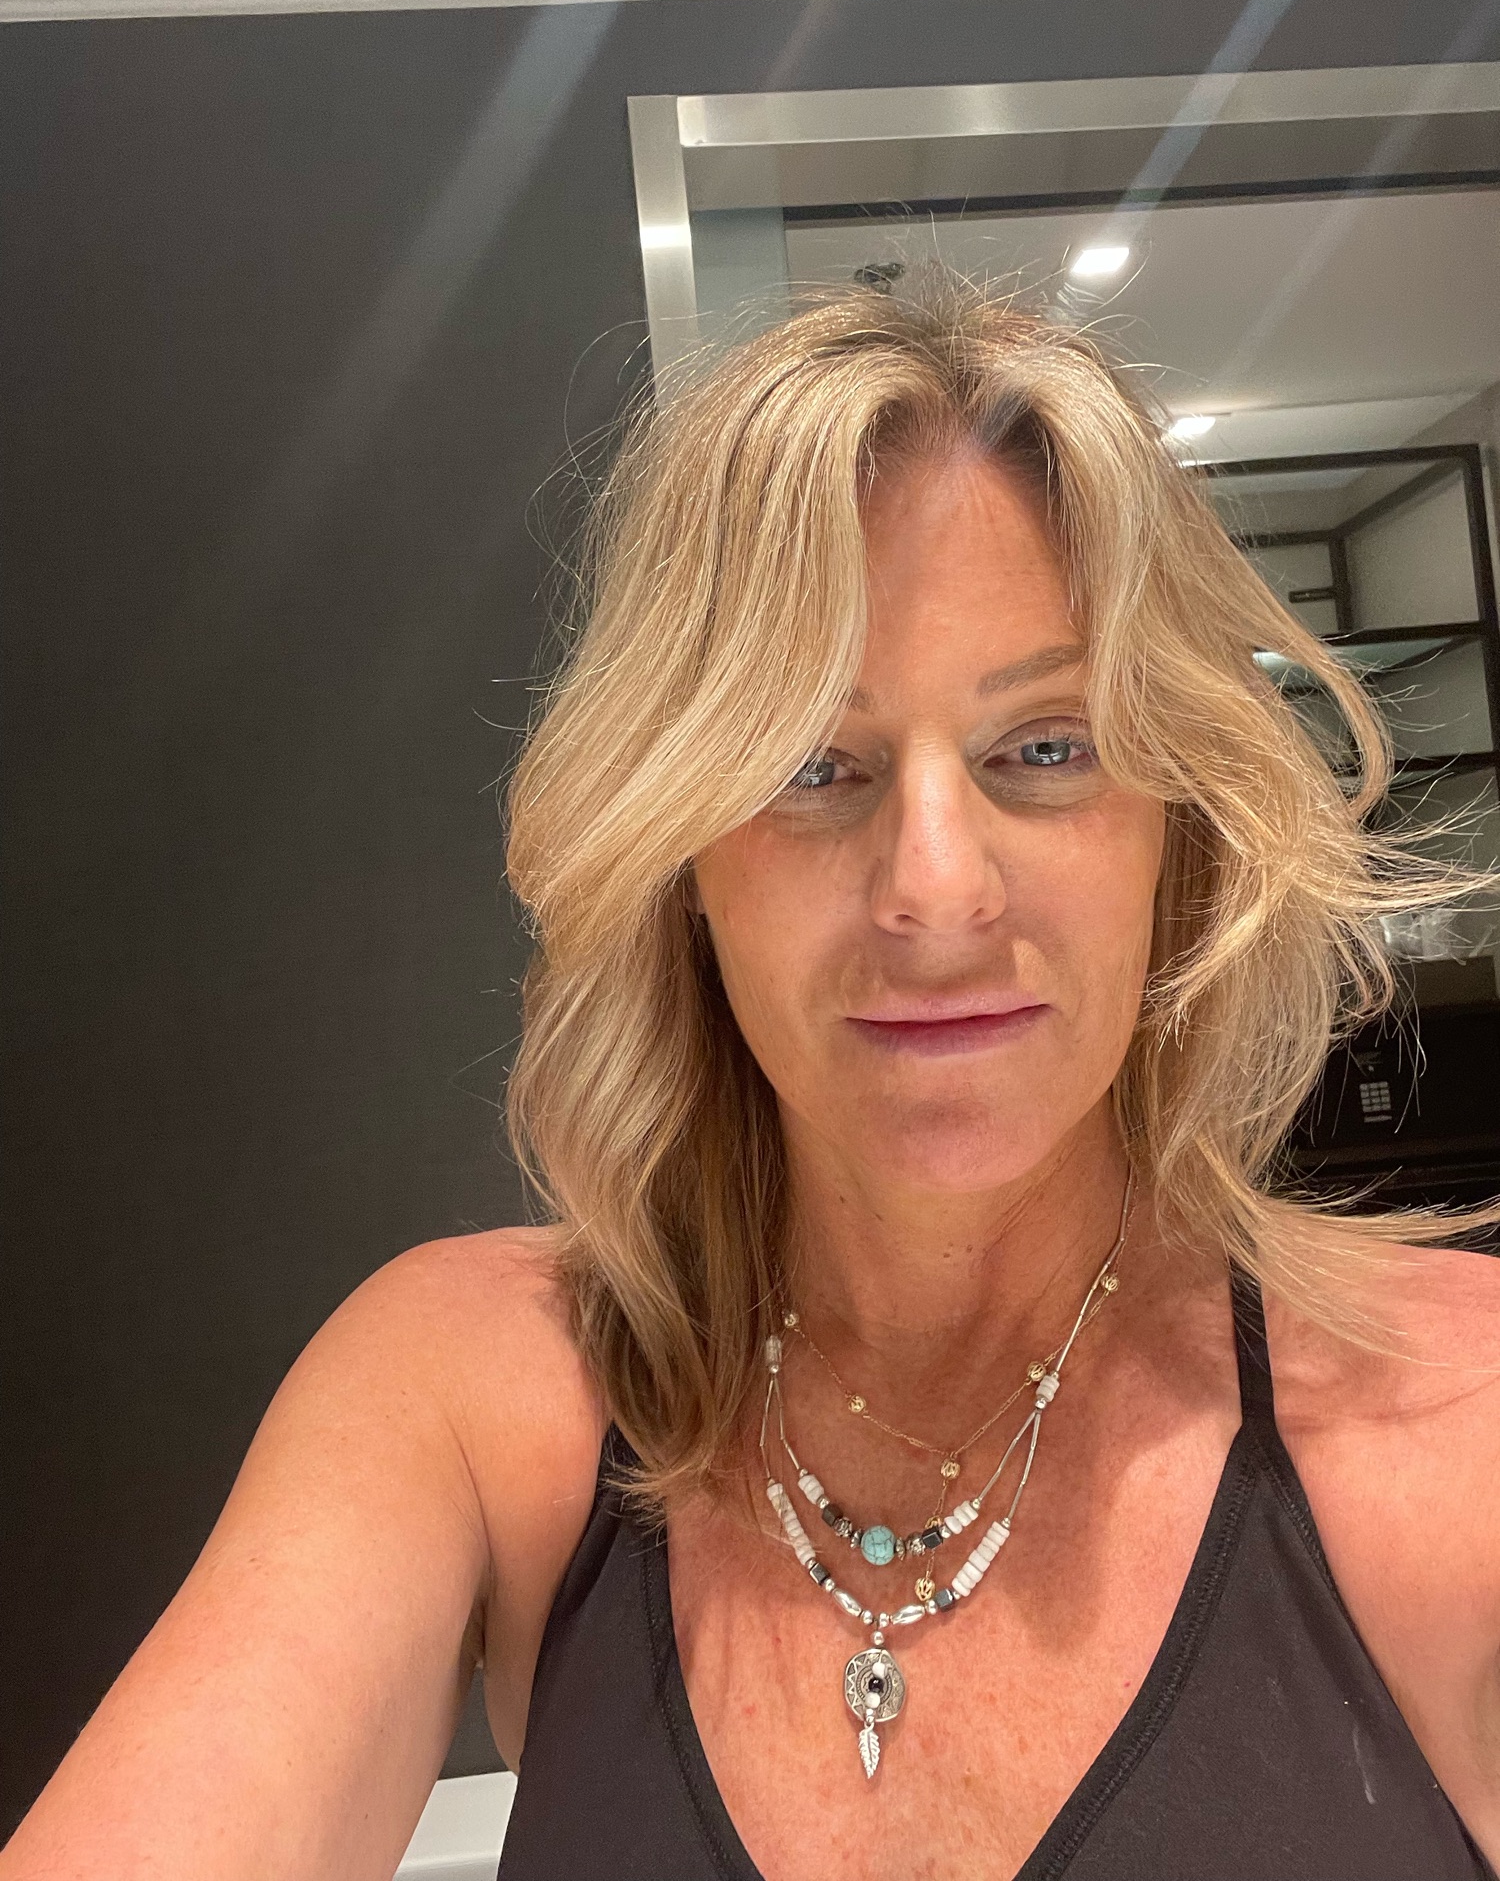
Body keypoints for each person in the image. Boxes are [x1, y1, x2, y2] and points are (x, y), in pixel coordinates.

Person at [3, 281, 1498, 1881]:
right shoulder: (471, 1395)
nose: (935, 888)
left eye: (1046, 745)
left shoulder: (1459, 1422)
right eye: (808, 765)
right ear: (683, 860)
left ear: (1174, 829)